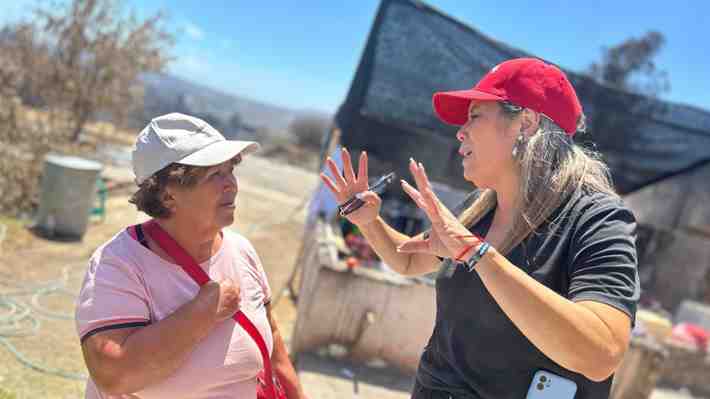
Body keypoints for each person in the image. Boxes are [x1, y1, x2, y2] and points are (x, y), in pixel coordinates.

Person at [320, 58, 639, 399]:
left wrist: (477, 254)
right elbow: (411, 261)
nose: (460, 131)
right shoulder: (482, 205)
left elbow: (602, 353)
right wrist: (370, 222)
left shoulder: (597, 220)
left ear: (525, 124)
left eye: (475, 116)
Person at [75, 113, 307, 399]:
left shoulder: (242, 251)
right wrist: (203, 311)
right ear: (167, 195)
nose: (231, 185)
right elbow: (113, 375)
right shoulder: (119, 264)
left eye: (230, 170)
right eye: (214, 175)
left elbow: (274, 348)